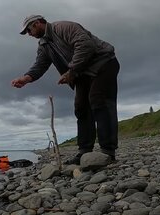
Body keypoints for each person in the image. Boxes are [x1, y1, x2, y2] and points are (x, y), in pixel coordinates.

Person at [11, 15, 120, 165]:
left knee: (99, 101)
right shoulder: (44, 45)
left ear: (37, 23)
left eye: (29, 30)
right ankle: (84, 152)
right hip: (81, 73)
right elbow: (40, 65)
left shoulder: (63, 27)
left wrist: (71, 72)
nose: (29, 34)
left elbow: (85, 45)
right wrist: (26, 78)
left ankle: (108, 152)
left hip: (104, 64)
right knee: (81, 107)